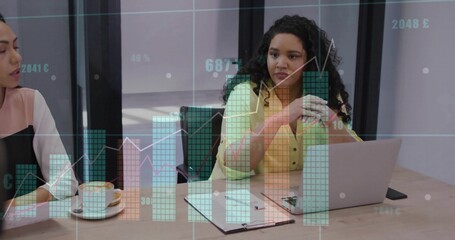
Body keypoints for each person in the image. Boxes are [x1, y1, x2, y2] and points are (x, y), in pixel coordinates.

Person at [210, 15, 362, 180]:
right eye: (274, 54)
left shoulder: (327, 93)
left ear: (311, 61)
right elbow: (236, 163)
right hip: (235, 196)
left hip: (296, 196)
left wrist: (332, 121)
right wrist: (280, 118)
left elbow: (357, 159)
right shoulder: (245, 93)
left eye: (292, 56)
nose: (280, 63)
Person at [0, 14, 77, 207]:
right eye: (1, 50)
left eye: (15, 47)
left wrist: (11, 206)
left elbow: (67, 182)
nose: (16, 57)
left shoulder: (30, 102)